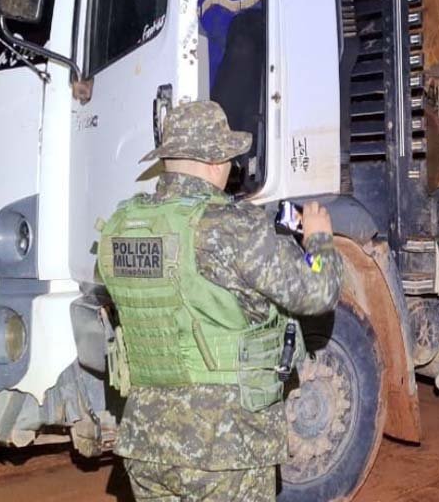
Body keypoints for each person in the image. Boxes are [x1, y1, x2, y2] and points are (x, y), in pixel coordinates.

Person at [97, 100, 342, 502]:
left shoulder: (123, 225)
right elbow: (318, 292)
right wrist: (318, 240)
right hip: (225, 446)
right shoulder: (232, 227)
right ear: (215, 163)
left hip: (146, 442)